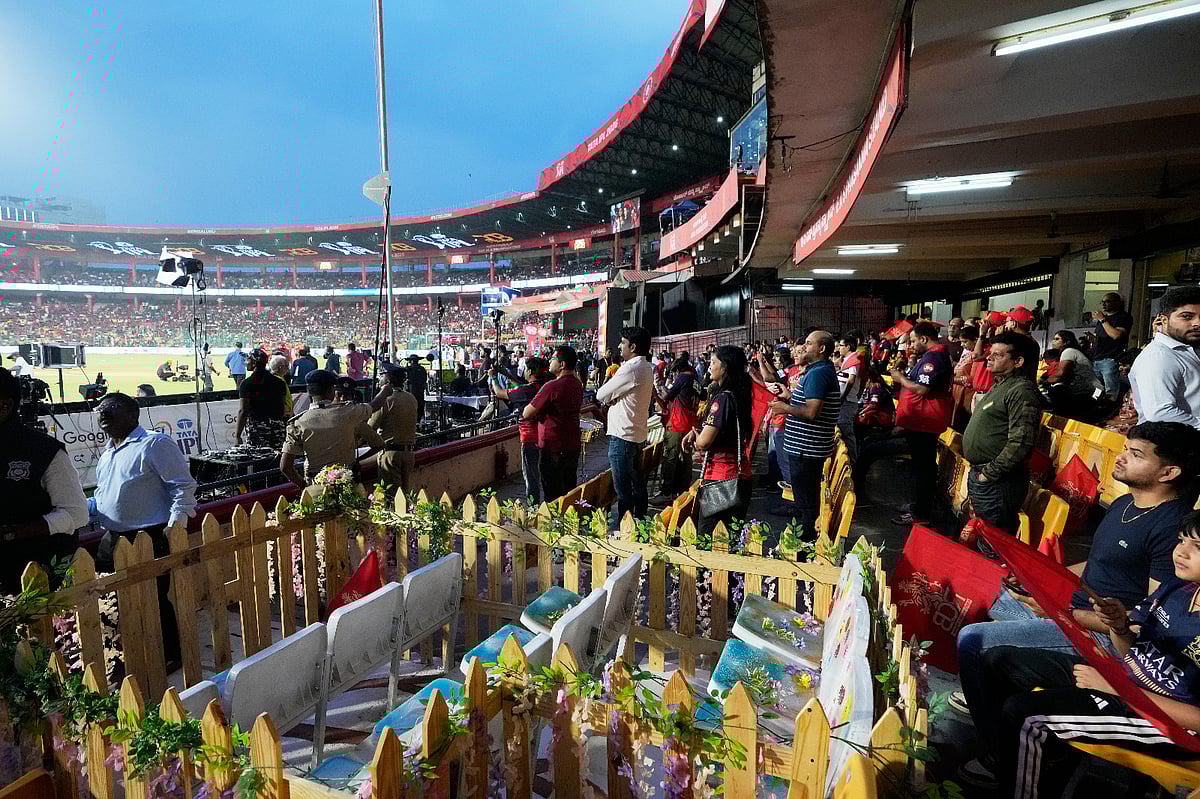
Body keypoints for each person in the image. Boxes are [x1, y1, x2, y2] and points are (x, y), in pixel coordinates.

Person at [953, 421, 1200, 760]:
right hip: (1072, 610)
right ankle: (992, 701)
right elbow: (1095, 567)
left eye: (1136, 454)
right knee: (991, 594)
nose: (1122, 457)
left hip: (1100, 635)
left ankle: (997, 748)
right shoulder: (1123, 505)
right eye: (1126, 449)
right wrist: (1037, 580)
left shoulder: (1173, 528)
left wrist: (1061, 612)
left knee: (972, 641)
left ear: (1169, 472)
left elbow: (1144, 622)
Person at [961, 510, 1200, 797]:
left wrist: (1116, 691)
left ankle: (1025, 777)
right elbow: (1130, 653)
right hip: (1122, 682)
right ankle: (1028, 760)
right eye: (1181, 541)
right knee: (998, 661)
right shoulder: (1178, 587)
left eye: (1196, 547)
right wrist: (1119, 627)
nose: (1181, 552)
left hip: (1169, 726)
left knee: (1025, 715)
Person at [90, 392, 197, 663]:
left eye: (111, 408)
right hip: (111, 537)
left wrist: (176, 525)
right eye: (100, 409)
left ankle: (171, 655)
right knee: (110, 599)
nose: (103, 413)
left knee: (154, 599)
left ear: (131, 414)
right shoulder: (108, 453)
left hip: (148, 535)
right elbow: (105, 495)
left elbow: (182, 486)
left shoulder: (154, 443)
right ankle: (124, 650)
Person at [0, 367, 88, 593]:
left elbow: (77, 514)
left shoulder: (44, 451)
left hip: (34, 578)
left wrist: (14, 533)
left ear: (5, 406)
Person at [961, 331, 1041, 538]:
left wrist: (989, 474)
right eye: (990, 353)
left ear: (1018, 361)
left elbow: (1021, 442)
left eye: (998, 354)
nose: (989, 357)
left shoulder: (1021, 390)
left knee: (994, 541)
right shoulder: (1002, 385)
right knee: (983, 535)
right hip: (984, 477)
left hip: (998, 483)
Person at [769, 330, 841, 539]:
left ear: (821, 348)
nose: (803, 347)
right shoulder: (817, 371)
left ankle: (805, 540)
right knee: (805, 498)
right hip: (806, 446)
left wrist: (785, 407)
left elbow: (811, 412)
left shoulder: (818, 373)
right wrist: (790, 396)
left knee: (806, 501)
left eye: (809, 343)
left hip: (806, 448)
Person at [684, 345, 753, 539]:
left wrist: (697, 438)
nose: (708, 367)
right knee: (732, 536)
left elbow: (704, 443)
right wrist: (699, 432)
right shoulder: (740, 394)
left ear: (725, 368)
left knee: (709, 536)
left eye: (713, 363)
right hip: (740, 476)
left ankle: (707, 571)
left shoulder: (722, 399)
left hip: (721, 480)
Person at [889, 322, 954, 526]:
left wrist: (900, 378)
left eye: (914, 340)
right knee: (920, 466)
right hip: (919, 421)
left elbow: (922, 389)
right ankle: (918, 505)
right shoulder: (930, 356)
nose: (912, 345)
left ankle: (920, 513)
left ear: (924, 339)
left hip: (926, 421)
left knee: (923, 468)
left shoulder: (934, 357)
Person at [280, 369, 386, 487]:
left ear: (308, 392)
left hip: (315, 483)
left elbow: (285, 467)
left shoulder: (298, 423)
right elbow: (374, 406)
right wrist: (386, 390)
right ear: (331, 391)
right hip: (346, 482)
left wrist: (304, 486)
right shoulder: (349, 414)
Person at [596, 327, 655, 522]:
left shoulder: (631, 367)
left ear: (633, 346)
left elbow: (601, 394)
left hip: (622, 436)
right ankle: (640, 523)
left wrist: (611, 399)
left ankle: (626, 530)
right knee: (637, 486)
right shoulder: (646, 367)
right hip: (636, 435)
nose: (620, 347)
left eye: (623, 343)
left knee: (623, 491)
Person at [1130, 285, 1200, 429]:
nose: (1197, 323)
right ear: (1164, 320)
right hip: (1174, 444)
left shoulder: (1184, 350)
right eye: (1187, 316)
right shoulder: (1159, 357)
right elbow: (1159, 413)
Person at [524, 346, 584, 503]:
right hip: (572, 445)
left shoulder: (551, 386)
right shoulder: (577, 384)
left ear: (562, 364)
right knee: (568, 491)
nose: (550, 361)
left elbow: (527, 413)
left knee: (552, 494)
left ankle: (555, 525)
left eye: (553, 359)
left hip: (553, 447)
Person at [494, 357, 552, 503]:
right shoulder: (545, 386)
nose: (524, 372)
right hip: (547, 437)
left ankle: (533, 507)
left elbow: (499, 393)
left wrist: (493, 378)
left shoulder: (526, 390)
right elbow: (521, 386)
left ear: (531, 371)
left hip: (530, 438)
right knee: (546, 474)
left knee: (531, 476)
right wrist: (507, 375)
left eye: (526, 369)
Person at [359, 368, 419, 494]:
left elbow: (370, 428)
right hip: (408, 453)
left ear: (387, 380)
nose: (379, 380)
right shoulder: (411, 398)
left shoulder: (386, 400)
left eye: (381, 376)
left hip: (391, 454)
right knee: (405, 495)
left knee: (391, 496)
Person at [654, 356, 700, 502]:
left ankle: (665, 492)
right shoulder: (696, 380)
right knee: (686, 458)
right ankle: (682, 490)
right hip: (690, 423)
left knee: (670, 457)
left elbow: (667, 396)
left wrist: (655, 393)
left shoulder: (682, 378)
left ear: (678, 370)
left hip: (677, 423)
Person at [235, 351, 288, 449]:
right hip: (278, 427)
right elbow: (283, 406)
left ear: (254, 363)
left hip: (258, 428)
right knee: (277, 459)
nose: (246, 362)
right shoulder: (279, 382)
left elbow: (243, 411)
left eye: (248, 359)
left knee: (259, 460)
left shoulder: (247, 383)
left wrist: (237, 435)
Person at [1044, 329, 1102, 418]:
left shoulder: (1068, 351)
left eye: (1057, 339)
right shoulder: (1072, 351)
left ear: (1066, 342)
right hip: (1095, 391)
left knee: (1056, 391)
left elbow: (1060, 375)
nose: (1053, 342)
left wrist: (1043, 382)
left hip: (1090, 393)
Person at [1093, 292, 1133, 399]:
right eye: (1103, 302)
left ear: (1117, 303)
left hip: (1110, 360)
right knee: (1096, 391)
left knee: (1111, 392)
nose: (1104, 304)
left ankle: (1110, 411)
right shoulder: (1103, 319)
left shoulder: (1122, 317)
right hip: (1097, 358)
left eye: (1107, 301)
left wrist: (1102, 320)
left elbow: (1116, 335)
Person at [835, 334, 864, 465]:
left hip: (847, 402)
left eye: (841, 345)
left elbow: (851, 380)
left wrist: (843, 397)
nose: (839, 348)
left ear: (847, 346)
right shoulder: (846, 359)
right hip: (845, 400)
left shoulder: (854, 360)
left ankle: (852, 460)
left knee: (846, 431)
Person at [405, 355, 428, 421]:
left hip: (413, 391)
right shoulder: (421, 369)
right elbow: (425, 379)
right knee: (419, 406)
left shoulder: (409, 369)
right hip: (418, 391)